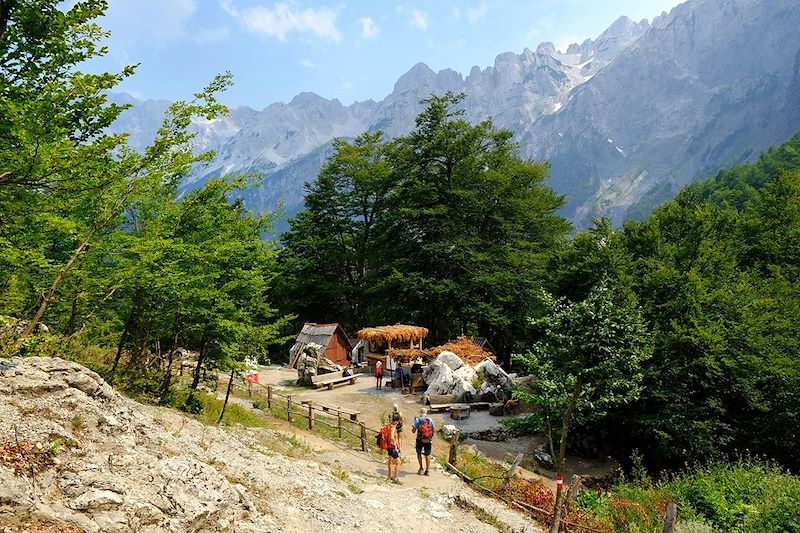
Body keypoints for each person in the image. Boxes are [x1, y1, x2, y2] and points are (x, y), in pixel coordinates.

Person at [412, 407, 436, 476]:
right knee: (427, 455)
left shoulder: (418, 420)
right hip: (428, 440)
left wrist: (414, 424)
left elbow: (413, 431)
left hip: (419, 440)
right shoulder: (430, 420)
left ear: (420, 413)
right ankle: (427, 470)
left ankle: (421, 468)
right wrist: (430, 436)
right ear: (426, 413)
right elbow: (434, 430)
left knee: (419, 453)